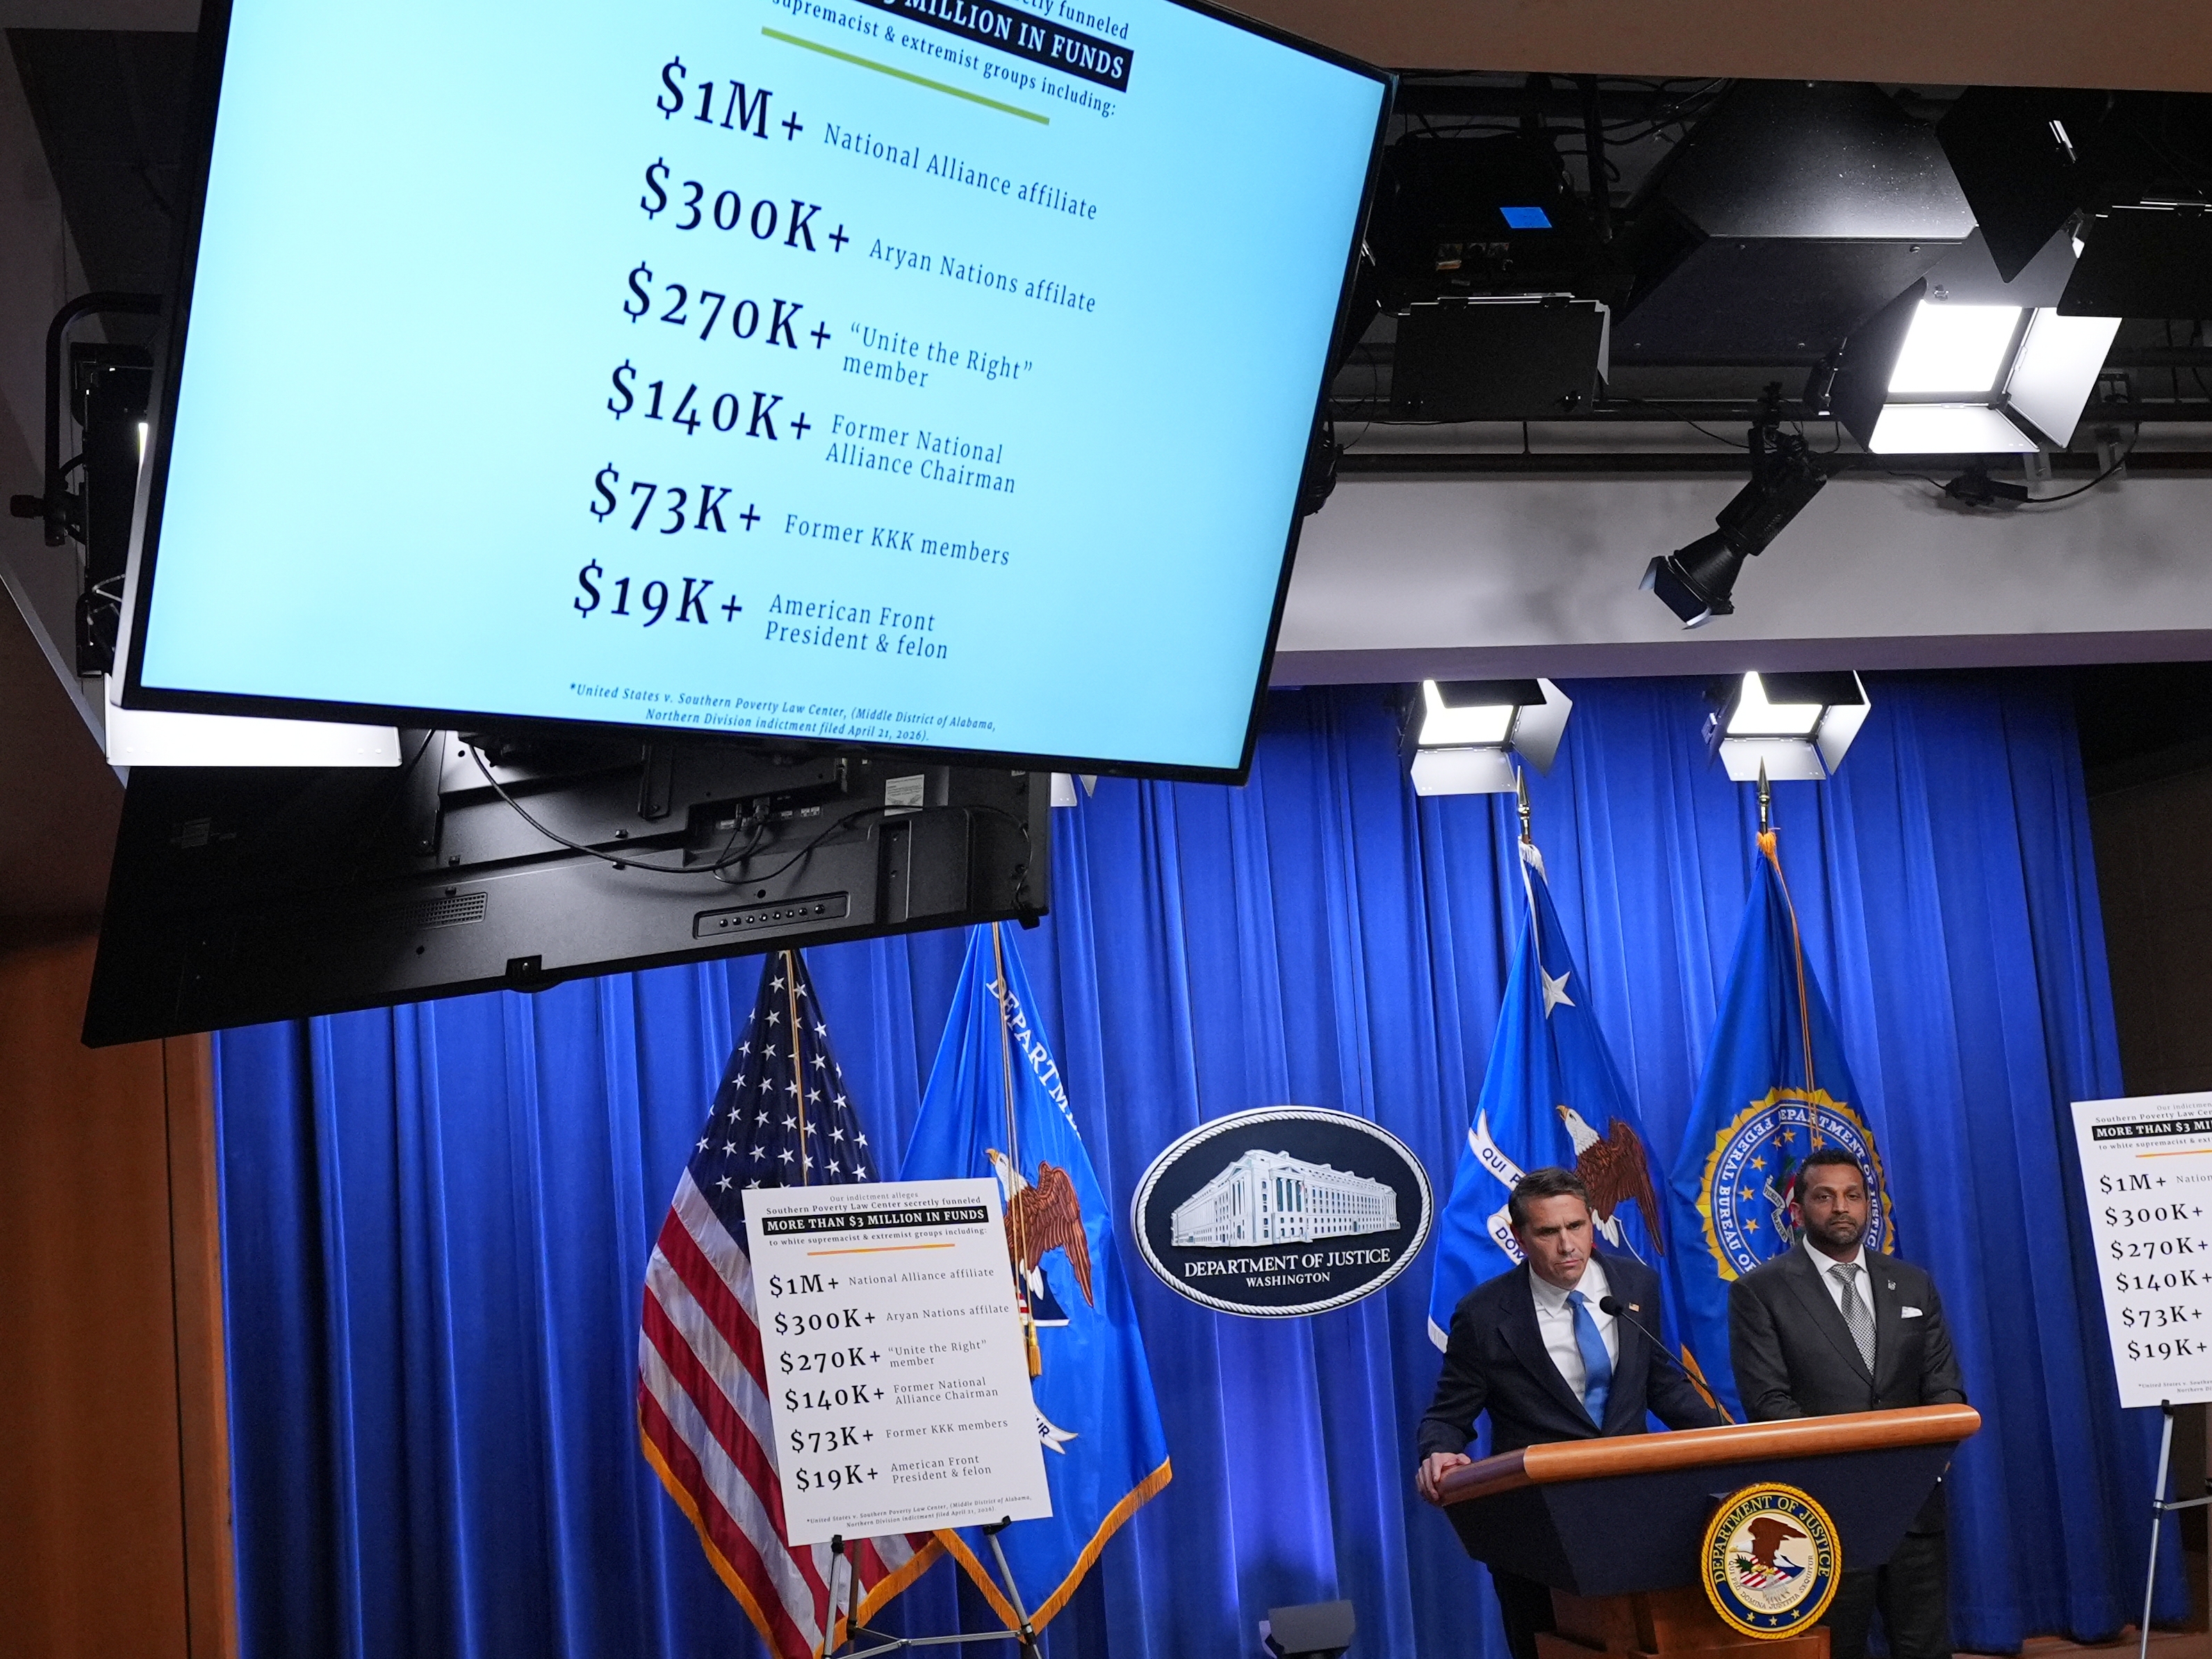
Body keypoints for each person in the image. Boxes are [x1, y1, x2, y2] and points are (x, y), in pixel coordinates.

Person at [1418, 1167, 1723, 1659]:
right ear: (1519, 1237)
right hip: (1536, 1528)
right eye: (1547, 1231)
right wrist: (1439, 1450)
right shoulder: (1484, 1314)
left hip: (1634, 1513)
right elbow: (1447, 1415)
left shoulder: (1634, 1284)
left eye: (1576, 1226)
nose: (1567, 1245)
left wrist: (1733, 1444)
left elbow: (1663, 1388)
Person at [1728, 1146, 1966, 1659]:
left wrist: (1916, 1463)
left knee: (1924, 1647)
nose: (1841, 1207)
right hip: (1825, 1510)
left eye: (1853, 1195)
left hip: (1913, 1505)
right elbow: (1768, 1402)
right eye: (1824, 1196)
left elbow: (1944, 1389)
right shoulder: (1759, 1291)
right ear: (1797, 1209)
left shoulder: (1912, 1282)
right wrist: (1853, 1472)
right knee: (1837, 1648)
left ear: (1868, 1205)